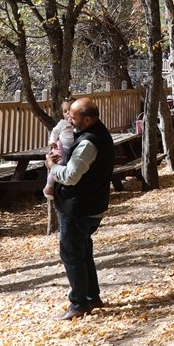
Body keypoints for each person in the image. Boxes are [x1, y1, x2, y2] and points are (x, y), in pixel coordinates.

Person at [43, 97, 114, 320]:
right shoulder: (96, 134)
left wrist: (52, 167)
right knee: (83, 253)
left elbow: (72, 176)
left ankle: (78, 303)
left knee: (72, 254)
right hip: (90, 205)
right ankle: (92, 297)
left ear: (89, 119)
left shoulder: (88, 142)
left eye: (73, 118)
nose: (69, 121)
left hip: (79, 208)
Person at [44, 97, 75, 199]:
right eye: (65, 111)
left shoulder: (77, 123)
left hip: (73, 149)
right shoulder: (62, 123)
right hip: (60, 146)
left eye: (70, 110)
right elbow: (55, 131)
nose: (67, 113)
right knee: (58, 163)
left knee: (68, 166)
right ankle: (49, 186)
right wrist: (52, 141)